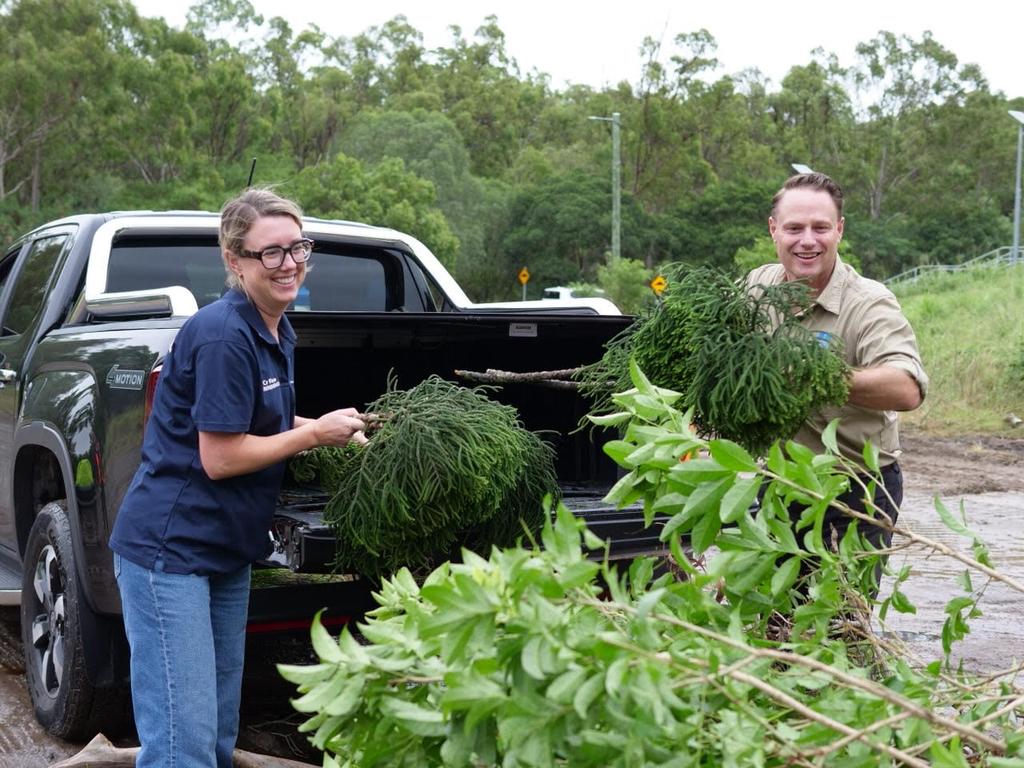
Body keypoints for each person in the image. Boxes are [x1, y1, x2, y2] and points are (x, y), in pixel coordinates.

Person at [108, 188, 367, 768]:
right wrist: (312, 435)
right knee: (183, 741)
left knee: (219, 731)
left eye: (298, 247)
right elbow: (220, 457)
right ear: (234, 260)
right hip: (170, 552)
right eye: (269, 253)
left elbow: (261, 419)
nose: (290, 263)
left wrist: (331, 425)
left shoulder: (273, 327)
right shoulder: (225, 334)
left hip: (226, 550)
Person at [746, 172, 928, 586]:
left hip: (854, 490)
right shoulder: (757, 286)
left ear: (839, 231)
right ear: (774, 230)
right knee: (775, 622)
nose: (806, 240)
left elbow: (906, 387)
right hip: (777, 484)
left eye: (820, 228)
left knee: (841, 625)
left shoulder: (869, 302)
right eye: (794, 228)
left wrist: (818, 373)